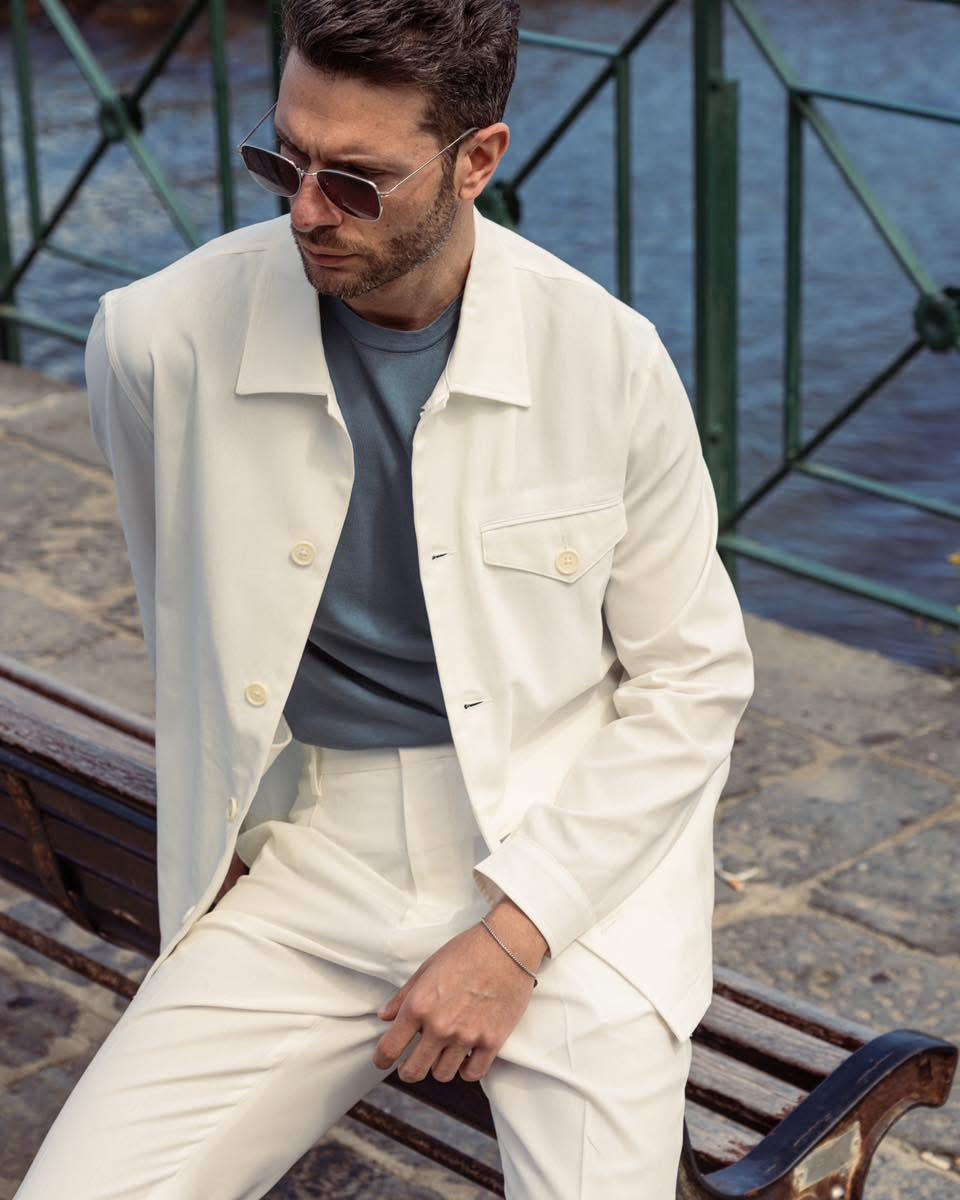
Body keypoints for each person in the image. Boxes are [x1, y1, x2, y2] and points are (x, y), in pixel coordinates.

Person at [14, 1, 755, 1196]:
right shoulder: (156, 341)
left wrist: (515, 936)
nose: (307, 211)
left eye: (356, 181)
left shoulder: (606, 359)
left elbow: (694, 679)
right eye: (283, 161)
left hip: (569, 861)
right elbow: (182, 601)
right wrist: (226, 827)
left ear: (478, 159)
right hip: (315, 849)